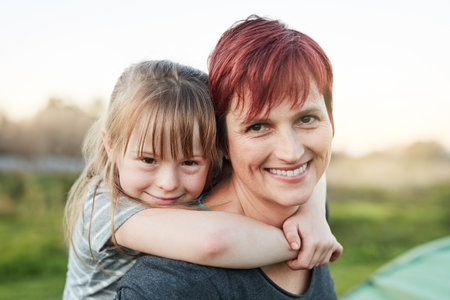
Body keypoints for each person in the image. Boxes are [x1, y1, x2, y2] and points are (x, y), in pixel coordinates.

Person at [63, 59, 341, 299]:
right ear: (111, 146)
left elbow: (305, 166)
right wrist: (305, 243)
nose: (169, 182)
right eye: (148, 160)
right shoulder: (104, 207)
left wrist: (312, 215)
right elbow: (214, 242)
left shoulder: (207, 175)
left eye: (188, 162)